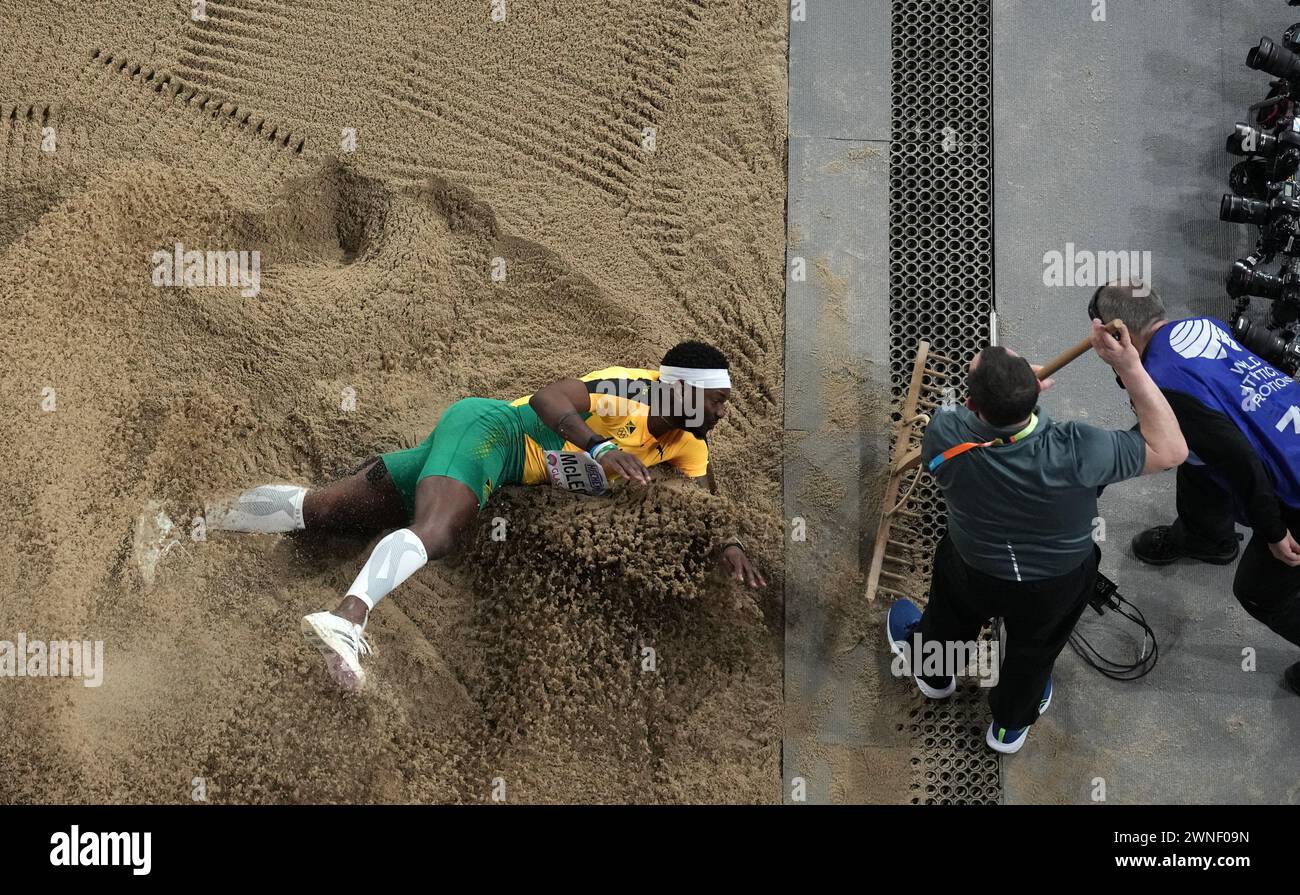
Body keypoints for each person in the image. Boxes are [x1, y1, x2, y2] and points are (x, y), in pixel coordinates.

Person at [208, 340, 766, 691]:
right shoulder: (631, 390)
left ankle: (198, 515)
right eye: (715, 401)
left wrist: (730, 545)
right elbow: (551, 400)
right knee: (439, 531)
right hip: (493, 432)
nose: (721, 412)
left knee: (323, 509)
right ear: (684, 392)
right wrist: (598, 448)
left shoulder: (689, 447)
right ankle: (347, 619)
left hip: (485, 466)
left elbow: (705, 508)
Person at [886, 325, 1186, 754]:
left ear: (972, 405)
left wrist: (1009, 395)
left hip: (973, 567)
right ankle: (1009, 726)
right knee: (1034, 652)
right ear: (1034, 397)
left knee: (948, 620)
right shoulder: (1080, 449)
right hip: (1054, 584)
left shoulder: (945, 435)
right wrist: (1129, 365)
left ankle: (934, 676)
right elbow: (1172, 449)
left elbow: (980, 432)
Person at [1091, 281, 1300, 696]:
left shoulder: (1163, 382)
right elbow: (1187, 431)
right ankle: (1208, 539)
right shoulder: (1201, 327)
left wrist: (1274, 533)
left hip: (1292, 489)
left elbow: (1241, 460)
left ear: (1118, 335)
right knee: (1194, 458)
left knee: (1259, 592)